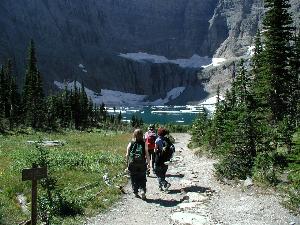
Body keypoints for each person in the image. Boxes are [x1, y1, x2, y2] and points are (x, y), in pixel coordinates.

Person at [126, 129, 150, 200]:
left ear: (134, 134)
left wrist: (127, 164)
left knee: (134, 178)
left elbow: (127, 155)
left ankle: (135, 192)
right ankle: (142, 190)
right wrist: (149, 164)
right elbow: (147, 155)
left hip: (132, 164)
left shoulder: (131, 143)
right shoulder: (144, 143)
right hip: (142, 163)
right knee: (142, 177)